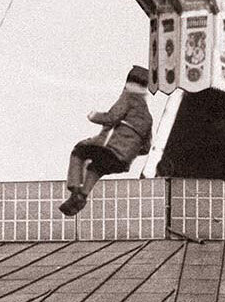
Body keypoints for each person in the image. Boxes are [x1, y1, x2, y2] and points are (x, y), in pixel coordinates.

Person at [62, 66, 156, 216]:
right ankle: (82, 197)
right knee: (96, 167)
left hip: (110, 150)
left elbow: (111, 118)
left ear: (128, 83)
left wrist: (93, 116)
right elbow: (146, 148)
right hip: (123, 162)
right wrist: (129, 149)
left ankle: (76, 190)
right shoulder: (148, 117)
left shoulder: (128, 97)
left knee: (79, 150)